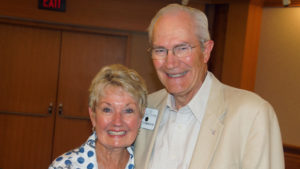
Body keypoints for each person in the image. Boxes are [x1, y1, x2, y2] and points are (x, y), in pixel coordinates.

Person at [134, 3, 284, 169]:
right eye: (160, 50)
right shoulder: (143, 108)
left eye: (182, 48)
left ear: (206, 51)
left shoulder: (252, 114)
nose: (170, 63)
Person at [49, 64, 147, 169]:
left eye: (128, 110)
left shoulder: (149, 164)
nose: (117, 122)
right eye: (107, 110)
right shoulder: (65, 166)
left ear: (140, 118)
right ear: (93, 116)